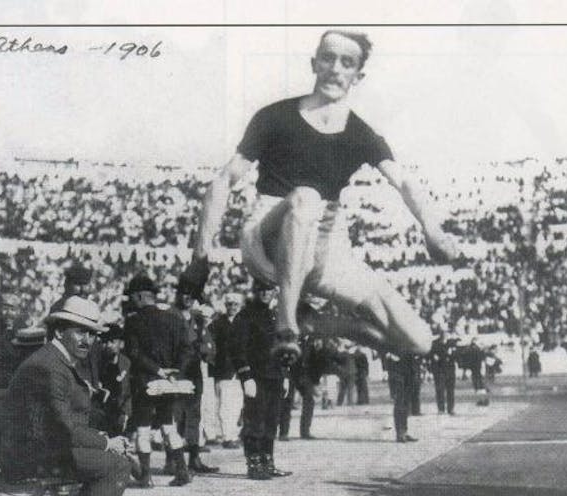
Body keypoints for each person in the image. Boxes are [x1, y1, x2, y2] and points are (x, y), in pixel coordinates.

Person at [193, 29, 456, 367]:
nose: (335, 68)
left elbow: (403, 181)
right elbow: (223, 180)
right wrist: (200, 257)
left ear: (358, 75)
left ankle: (314, 323)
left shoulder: (360, 134)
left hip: (327, 247)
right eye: (328, 58)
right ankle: (285, 324)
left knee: (418, 340)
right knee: (306, 198)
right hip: (268, 238)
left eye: (346, 62)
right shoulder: (275, 117)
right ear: (314, 63)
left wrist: (431, 228)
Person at [0, 296, 138, 496]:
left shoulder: (57, 362)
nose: (88, 340)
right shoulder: (48, 366)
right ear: (60, 331)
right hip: (27, 458)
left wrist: (102, 439)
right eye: (80, 332)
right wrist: (105, 442)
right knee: (114, 463)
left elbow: (64, 423)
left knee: (117, 460)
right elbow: (62, 427)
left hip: (43, 448)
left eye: (92, 334)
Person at [123, 274, 193, 488]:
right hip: (171, 381)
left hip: (147, 380)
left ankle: (145, 476)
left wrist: (158, 370)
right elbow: (186, 348)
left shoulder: (134, 320)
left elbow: (133, 353)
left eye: (133, 297)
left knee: (143, 428)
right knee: (168, 425)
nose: (131, 301)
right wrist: (174, 372)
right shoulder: (175, 316)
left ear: (141, 296)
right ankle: (182, 470)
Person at [230, 279, 291, 479]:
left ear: (275, 291)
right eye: (261, 289)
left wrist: (285, 375)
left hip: (275, 375)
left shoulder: (276, 316)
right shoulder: (246, 316)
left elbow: (283, 349)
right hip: (256, 377)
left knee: (272, 420)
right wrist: (246, 376)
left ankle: (268, 461)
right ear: (255, 291)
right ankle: (254, 463)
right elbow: (237, 349)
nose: (265, 293)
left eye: (269, 289)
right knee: (255, 419)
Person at [172, 273, 219, 474]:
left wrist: (204, 351)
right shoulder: (171, 317)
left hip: (193, 371)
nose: (187, 298)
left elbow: (209, 347)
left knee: (194, 415)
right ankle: (172, 460)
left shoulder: (198, 320)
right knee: (175, 415)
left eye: (191, 295)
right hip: (175, 371)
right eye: (184, 294)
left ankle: (194, 458)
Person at [207, 292, 245, 449]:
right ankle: (227, 436)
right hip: (224, 368)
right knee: (225, 404)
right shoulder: (217, 324)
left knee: (237, 404)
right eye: (230, 304)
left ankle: (233, 434)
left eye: (236, 304)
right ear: (225, 306)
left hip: (241, 369)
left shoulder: (244, 323)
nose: (233, 307)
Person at [428, 329, 457, 415]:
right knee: (440, 390)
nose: (445, 336)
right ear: (440, 335)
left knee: (450, 391)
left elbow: (456, 355)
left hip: (450, 370)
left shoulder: (452, 343)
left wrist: (448, 355)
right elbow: (432, 355)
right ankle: (441, 409)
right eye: (444, 335)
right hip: (439, 370)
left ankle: (450, 409)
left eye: (447, 334)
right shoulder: (435, 343)